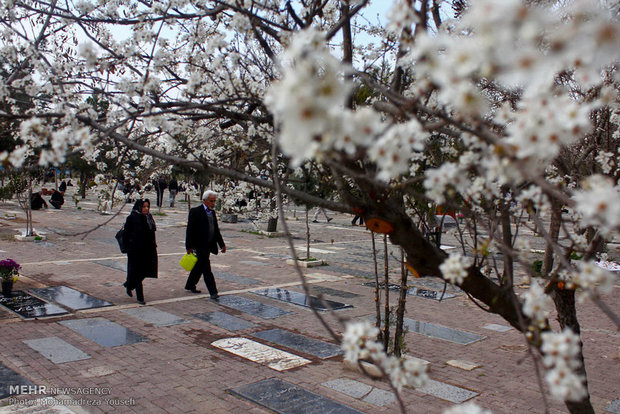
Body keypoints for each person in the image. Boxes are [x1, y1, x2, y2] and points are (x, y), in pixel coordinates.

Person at [184, 190, 226, 299]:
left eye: (214, 201)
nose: (213, 203)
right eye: (211, 201)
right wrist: (188, 246)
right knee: (206, 268)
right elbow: (190, 230)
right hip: (199, 245)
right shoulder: (195, 211)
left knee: (199, 266)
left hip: (209, 245)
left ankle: (190, 284)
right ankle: (213, 291)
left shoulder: (212, 213)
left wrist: (221, 244)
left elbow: (216, 230)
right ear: (204, 200)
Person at [122, 199, 158, 305]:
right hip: (135, 250)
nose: (146, 209)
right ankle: (140, 297)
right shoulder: (132, 218)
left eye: (147, 206)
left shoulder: (149, 218)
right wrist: (128, 248)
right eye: (144, 207)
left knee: (146, 271)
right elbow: (126, 234)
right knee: (138, 273)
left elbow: (152, 233)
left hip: (148, 249)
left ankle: (129, 284)